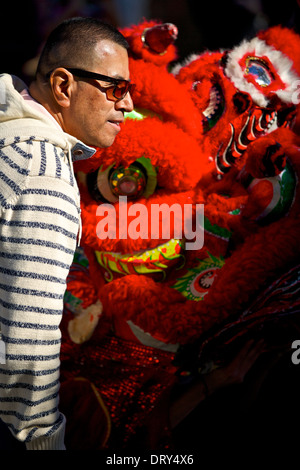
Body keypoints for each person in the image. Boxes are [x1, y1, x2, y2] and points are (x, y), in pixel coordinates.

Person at [0, 16, 134, 450]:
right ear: (63, 86)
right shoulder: (44, 170)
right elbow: (29, 345)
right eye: (116, 87)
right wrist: (42, 440)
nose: (128, 104)